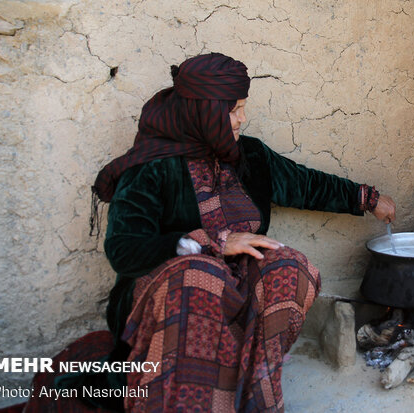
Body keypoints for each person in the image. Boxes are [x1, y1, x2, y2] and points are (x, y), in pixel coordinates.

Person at [81, 53, 395, 412]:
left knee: (289, 267)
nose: (242, 119)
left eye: (242, 108)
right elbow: (123, 249)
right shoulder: (152, 168)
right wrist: (211, 243)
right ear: (205, 112)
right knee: (201, 277)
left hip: (237, 282)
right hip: (169, 291)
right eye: (234, 110)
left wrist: (366, 198)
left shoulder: (250, 156)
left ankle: (251, 393)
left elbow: (305, 184)